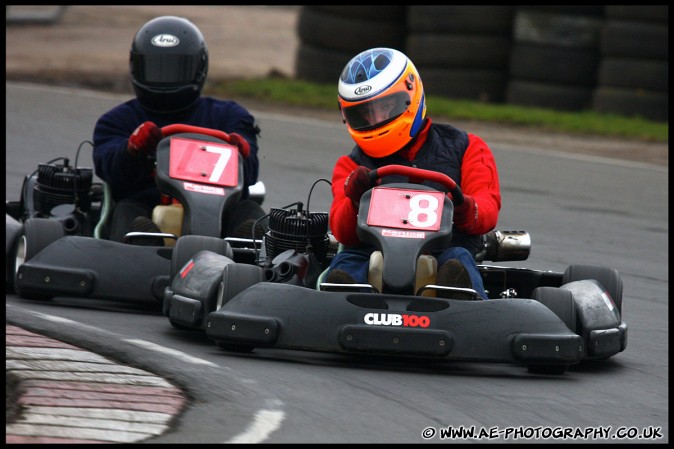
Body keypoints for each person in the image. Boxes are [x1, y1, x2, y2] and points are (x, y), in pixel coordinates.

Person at [324, 47, 501, 300]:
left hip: (445, 249)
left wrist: (463, 206)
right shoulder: (351, 165)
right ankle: (340, 302)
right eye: (365, 114)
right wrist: (354, 199)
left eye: (385, 107)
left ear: (411, 94)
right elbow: (342, 232)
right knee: (347, 263)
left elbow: (486, 209)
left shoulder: (466, 147)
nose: (376, 120)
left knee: (458, 261)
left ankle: (460, 301)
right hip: (372, 252)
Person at [92, 15, 264, 243]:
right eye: (156, 68)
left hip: (220, 213)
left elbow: (250, 175)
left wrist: (241, 154)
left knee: (251, 215)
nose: (165, 77)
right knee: (126, 211)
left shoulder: (228, 115)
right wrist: (132, 150)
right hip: (146, 206)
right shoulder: (117, 121)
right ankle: (144, 252)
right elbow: (110, 171)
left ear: (198, 68)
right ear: (137, 67)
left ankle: (247, 256)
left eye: (176, 68)